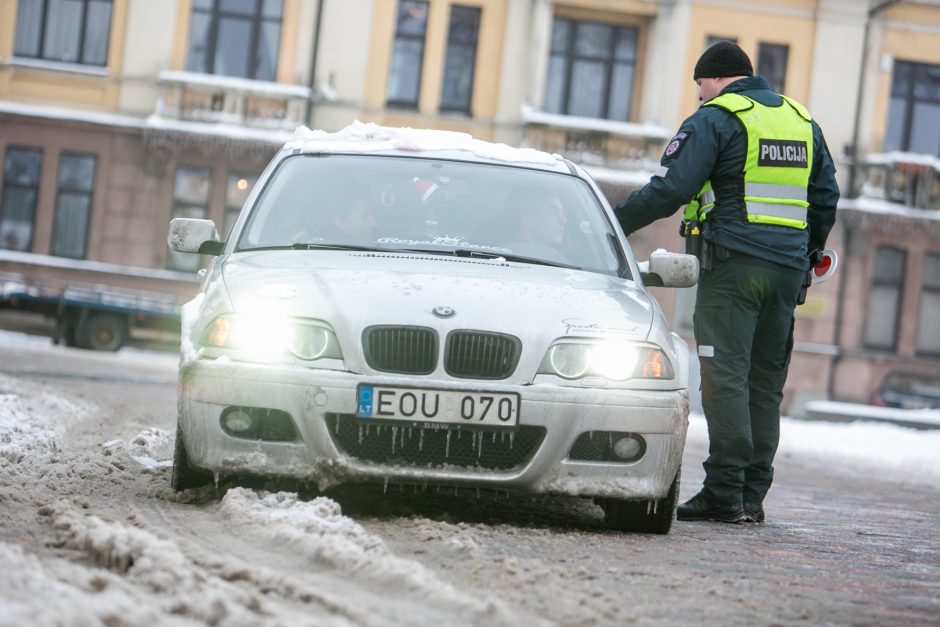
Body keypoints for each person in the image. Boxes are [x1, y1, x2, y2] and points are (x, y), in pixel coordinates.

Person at [614, 41, 839, 524]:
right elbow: (825, 198)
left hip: (732, 269)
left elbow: (671, 189)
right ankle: (751, 496)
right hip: (785, 273)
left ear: (713, 78)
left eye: (700, 86)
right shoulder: (802, 121)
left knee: (726, 379)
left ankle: (723, 493)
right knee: (764, 382)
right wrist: (807, 256)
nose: (699, 95)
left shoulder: (716, 117)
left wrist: (611, 223)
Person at [502, 187, 569, 262]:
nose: (563, 220)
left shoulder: (498, 256)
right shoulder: (557, 262)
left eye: (563, 212)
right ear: (527, 221)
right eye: (553, 212)